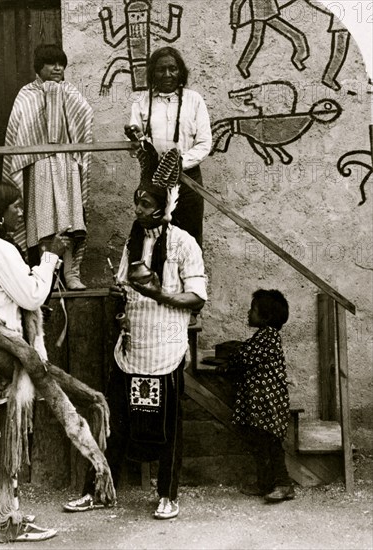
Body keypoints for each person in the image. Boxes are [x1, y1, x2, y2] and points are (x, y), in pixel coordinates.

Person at [63, 141, 207, 519]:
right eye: (137, 203)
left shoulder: (184, 243)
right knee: (111, 422)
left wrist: (161, 293)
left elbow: (197, 298)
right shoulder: (133, 241)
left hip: (166, 349)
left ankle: (168, 495)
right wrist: (121, 296)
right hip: (132, 350)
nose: (139, 210)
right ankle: (96, 489)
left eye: (146, 204)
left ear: (164, 206)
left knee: (168, 428)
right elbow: (128, 287)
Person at [0, 182, 67, 542]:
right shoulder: (0, 250)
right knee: (11, 437)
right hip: (8, 352)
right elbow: (31, 294)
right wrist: (50, 258)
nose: (20, 213)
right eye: (15, 207)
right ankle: (10, 520)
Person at [3, 44, 93, 290]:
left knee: (71, 219)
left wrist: (58, 97)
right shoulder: (27, 93)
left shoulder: (69, 91)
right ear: (39, 67)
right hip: (39, 164)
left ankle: (71, 273)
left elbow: (85, 114)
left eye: (61, 64)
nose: (57, 68)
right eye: (51, 64)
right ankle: (48, 277)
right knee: (45, 220)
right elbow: (19, 128)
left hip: (66, 163)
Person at [126, 46, 212, 248]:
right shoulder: (141, 102)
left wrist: (179, 163)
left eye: (172, 69)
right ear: (152, 73)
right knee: (153, 241)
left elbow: (204, 143)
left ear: (180, 71)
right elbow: (135, 147)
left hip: (188, 182)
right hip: (152, 185)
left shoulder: (194, 100)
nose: (167, 74)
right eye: (160, 69)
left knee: (189, 240)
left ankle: (191, 279)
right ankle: (156, 280)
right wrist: (136, 141)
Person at [221, 289, 295, 502]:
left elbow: (245, 356)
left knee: (271, 444)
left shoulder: (268, 336)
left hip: (268, 404)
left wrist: (227, 364)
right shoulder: (262, 336)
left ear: (266, 317)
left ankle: (284, 484)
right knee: (261, 444)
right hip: (260, 403)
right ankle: (264, 483)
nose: (248, 313)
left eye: (253, 310)